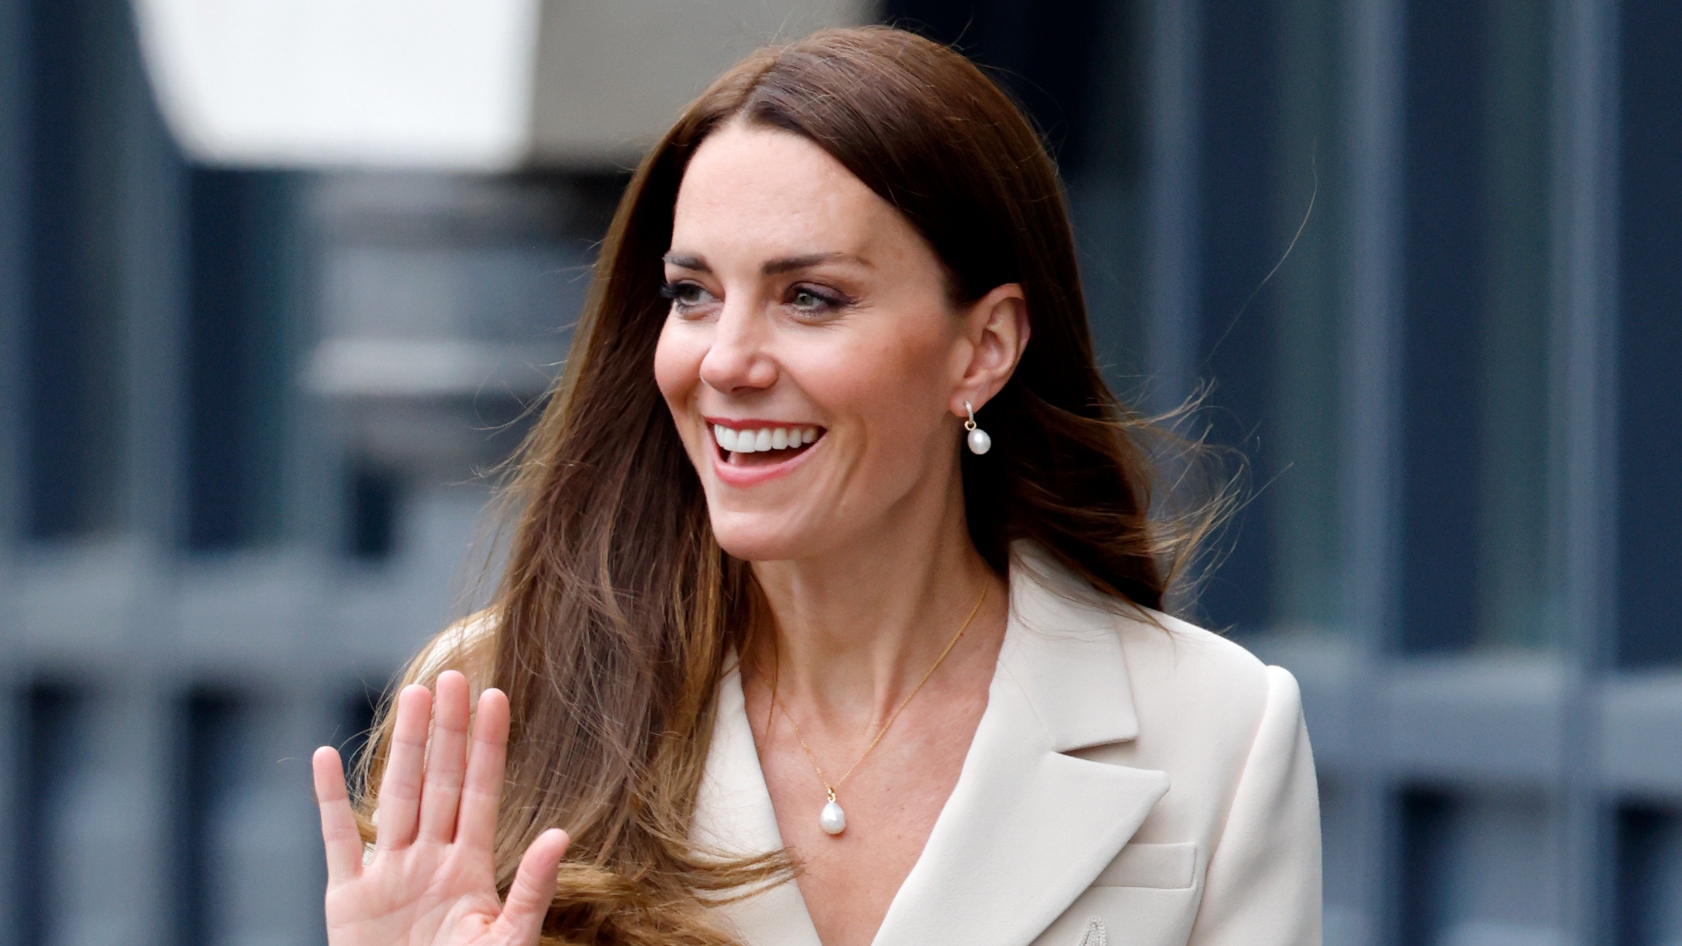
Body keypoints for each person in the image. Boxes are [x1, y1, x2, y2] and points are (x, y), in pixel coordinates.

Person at [310, 25, 1321, 946]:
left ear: (983, 348)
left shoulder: (1214, 727)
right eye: (692, 294)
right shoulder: (504, 694)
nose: (726, 361)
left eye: (809, 297)